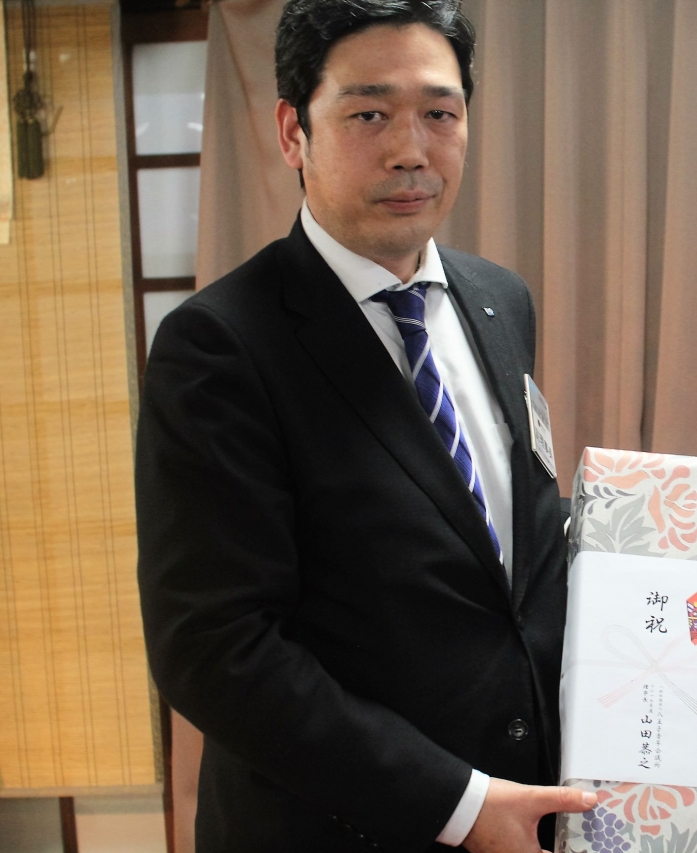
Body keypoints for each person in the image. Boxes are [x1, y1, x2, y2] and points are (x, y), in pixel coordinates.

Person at [134, 1, 594, 850]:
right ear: (293, 131)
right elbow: (215, 649)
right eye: (369, 114)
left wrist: (655, 595)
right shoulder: (222, 344)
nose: (411, 150)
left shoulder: (500, 300)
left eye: (440, 114)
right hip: (339, 826)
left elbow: (508, 548)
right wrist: (460, 805)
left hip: (526, 811)